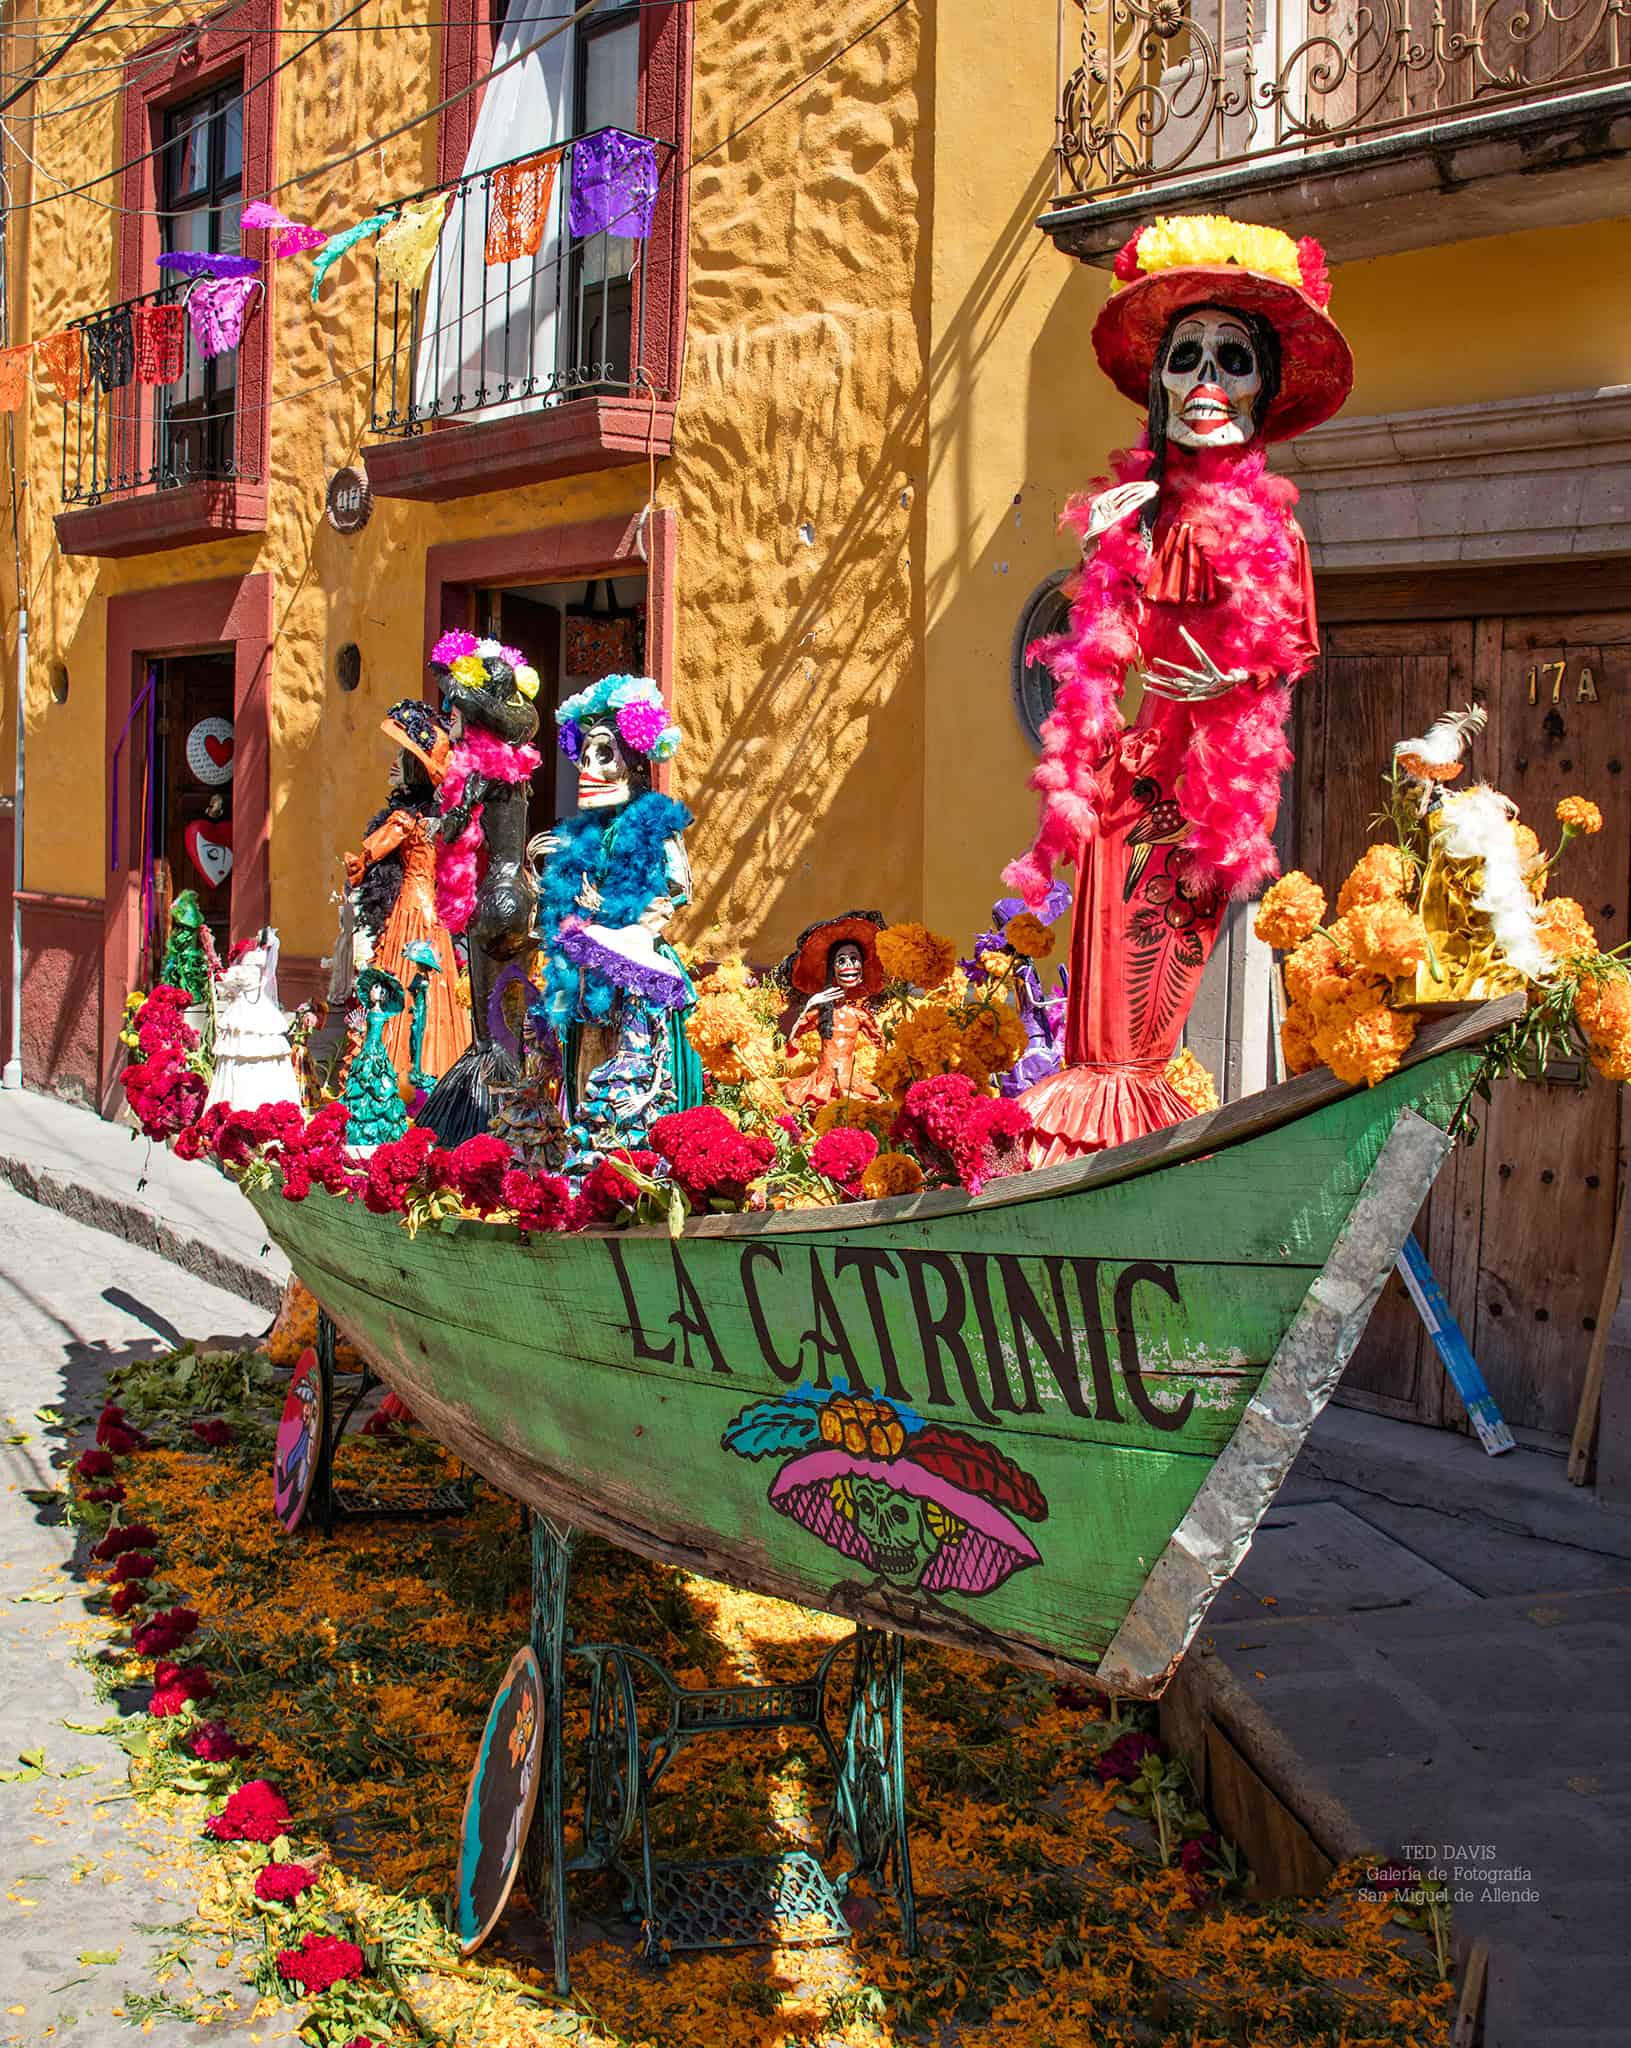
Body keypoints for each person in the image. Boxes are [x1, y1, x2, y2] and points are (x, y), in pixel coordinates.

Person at [1003, 213, 1353, 1162]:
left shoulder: (1270, 533)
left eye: (1230, 358)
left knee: (1142, 1001)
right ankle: (1082, 1156)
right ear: (1156, 382)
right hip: (1126, 775)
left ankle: (1115, 1150)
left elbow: (1283, 655)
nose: (1203, 378)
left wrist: (1227, 677)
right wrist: (1105, 553)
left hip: (1202, 787)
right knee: (1096, 1002)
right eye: (1184, 355)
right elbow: (1094, 655)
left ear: (1262, 391)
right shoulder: (1128, 514)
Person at [529, 674, 693, 1143]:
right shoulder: (582, 831)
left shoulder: (654, 825)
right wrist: (541, 875)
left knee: (633, 1057)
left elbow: (675, 892)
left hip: (633, 969)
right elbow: (566, 897)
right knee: (586, 1053)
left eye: (604, 754)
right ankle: (585, 1142)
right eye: (584, 756)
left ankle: (632, 1141)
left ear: (633, 761)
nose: (589, 766)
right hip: (587, 972)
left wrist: (617, 911)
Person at [342, 699, 469, 1089]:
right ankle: (439, 1063)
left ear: (417, 767)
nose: (393, 764)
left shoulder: (406, 819)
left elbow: (369, 853)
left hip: (411, 909)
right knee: (437, 985)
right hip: (437, 916)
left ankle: (395, 1071)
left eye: (403, 756)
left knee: (405, 979)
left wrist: (355, 866)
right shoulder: (438, 818)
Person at [779, 912, 887, 1113]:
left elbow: (883, 1044)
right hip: (822, 1084)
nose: (849, 965)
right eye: (842, 960)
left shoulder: (859, 1014)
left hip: (850, 1084)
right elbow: (792, 1041)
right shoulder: (822, 1011)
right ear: (832, 968)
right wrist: (812, 1003)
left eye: (854, 959)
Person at [203, 928, 302, 1114]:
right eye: (249, 967)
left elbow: (268, 962)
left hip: (261, 1012)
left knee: (266, 1060)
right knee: (238, 1058)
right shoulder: (237, 973)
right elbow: (225, 983)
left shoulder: (260, 972)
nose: (252, 972)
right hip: (243, 1014)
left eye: (256, 968)